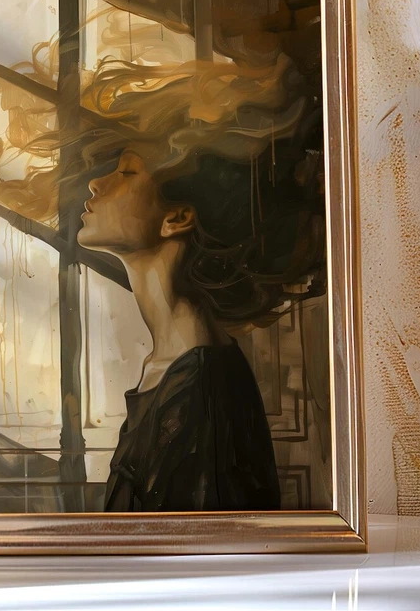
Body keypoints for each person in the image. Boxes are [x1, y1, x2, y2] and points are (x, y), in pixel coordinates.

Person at [77, 143, 290, 512]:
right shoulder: (180, 367)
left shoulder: (198, 388)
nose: (96, 183)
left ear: (177, 218)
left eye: (126, 173)